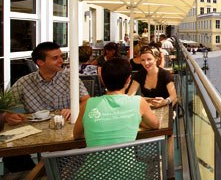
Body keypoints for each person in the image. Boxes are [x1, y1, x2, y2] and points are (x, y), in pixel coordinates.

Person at [8, 42, 90, 173]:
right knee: (10, 153)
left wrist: (74, 109)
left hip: (66, 131)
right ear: (40, 62)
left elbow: (87, 100)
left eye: (61, 56)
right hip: (35, 133)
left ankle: (50, 172)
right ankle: (37, 173)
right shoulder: (24, 82)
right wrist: (7, 116)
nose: (61, 61)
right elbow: (7, 106)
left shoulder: (70, 77)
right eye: (55, 58)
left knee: (76, 152)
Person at [73, 58, 159, 147]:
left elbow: (77, 135)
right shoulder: (139, 102)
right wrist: (138, 120)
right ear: (128, 79)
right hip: (126, 161)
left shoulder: (87, 104)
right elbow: (155, 124)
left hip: (94, 161)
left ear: (102, 78)